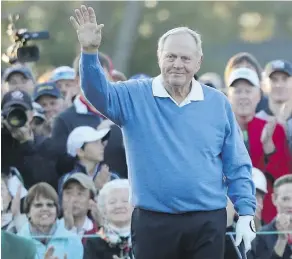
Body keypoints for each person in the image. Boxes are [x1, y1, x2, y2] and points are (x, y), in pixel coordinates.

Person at [70, 5, 256, 259]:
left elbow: (237, 163)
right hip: (153, 224)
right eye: (171, 57)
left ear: (198, 62)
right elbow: (97, 93)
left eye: (185, 58)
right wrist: (90, 53)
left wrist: (245, 211)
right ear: (160, 58)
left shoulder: (217, 102)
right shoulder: (134, 95)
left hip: (207, 223)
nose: (177, 64)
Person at [227, 67, 291, 224]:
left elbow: (283, 180)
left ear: (259, 95)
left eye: (248, 91)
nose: (243, 96)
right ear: (228, 96)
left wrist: (269, 148)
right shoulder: (219, 130)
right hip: (228, 216)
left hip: (266, 220)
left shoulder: (274, 129)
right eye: (238, 91)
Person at [1, 90, 59, 190]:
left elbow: (45, 184)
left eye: (21, 112)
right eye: (10, 111)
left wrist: (26, 143)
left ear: (31, 115)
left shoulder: (45, 144)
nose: (15, 116)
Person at [18, 182, 84, 259]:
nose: (45, 209)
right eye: (38, 205)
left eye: (50, 205)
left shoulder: (73, 241)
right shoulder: (16, 243)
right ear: (28, 212)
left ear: (56, 211)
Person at [58, 126, 119, 195]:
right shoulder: (67, 180)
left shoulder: (112, 177)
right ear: (80, 151)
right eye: (95, 142)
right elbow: (67, 205)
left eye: (101, 141)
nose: (102, 146)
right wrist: (96, 188)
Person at [84, 179, 133, 259]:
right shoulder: (93, 242)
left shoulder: (145, 239)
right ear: (103, 209)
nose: (118, 206)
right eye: (112, 202)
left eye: (125, 201)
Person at [248, 175, 292, 259]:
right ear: (274, 199)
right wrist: (281, 241)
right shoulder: (261, 236)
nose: (290, 205)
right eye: (285, 199)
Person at [257, 60, 292, 155]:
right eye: (274, 79)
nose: (279, 85)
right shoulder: (257, 120)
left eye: (284, 79)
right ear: (264, 85)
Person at [59, 173, 99, 244]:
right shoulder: (52, 228)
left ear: (91, 202)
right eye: (68, 193)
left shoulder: (98, 231)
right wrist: (67, 229)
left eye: (80, 194)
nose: (73, 199)